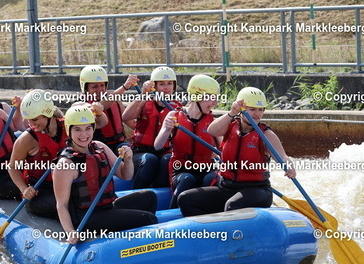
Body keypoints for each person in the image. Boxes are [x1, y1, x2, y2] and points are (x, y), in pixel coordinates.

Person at [177, 87, 296, 217]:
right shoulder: (230, 125)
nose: (257, 114)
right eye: (252, 109)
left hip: (256, 190)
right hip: (227, 187)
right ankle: (205, 229)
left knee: (232, 206)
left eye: (261, 109)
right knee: (186, 198)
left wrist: (289, 166)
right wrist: (232, 112)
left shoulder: (266, 135)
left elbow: (283, 157)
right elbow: (212, 130)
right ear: (241, 109)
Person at [54, 105, 158, 244]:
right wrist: (70, 231)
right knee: (149, 219)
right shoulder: (65, 164)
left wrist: (128, 160)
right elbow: (61, 205)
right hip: (87, 218)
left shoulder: (99, 147)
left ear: (93, 128)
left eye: (88, 128)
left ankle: (129, 242)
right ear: (69, 131)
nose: (84, 134)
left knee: (149, 197)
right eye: (77, 129)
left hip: (107, 207)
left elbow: (125, 175)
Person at [154, 74, 221, 208]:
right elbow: (157, 146)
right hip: (181, 170)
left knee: (212, 179)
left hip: (206, 169)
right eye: (211, 98)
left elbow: (223, 150)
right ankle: (173, 212)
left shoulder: (213, 122)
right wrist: (167, 129)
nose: (215, 103)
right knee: (187, 179)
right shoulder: (174, 116)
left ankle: (208, 213)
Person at [8, 90, 67, 219]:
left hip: (66, 183)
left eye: (35, 119)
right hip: (41, 189)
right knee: (66, 206)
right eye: (28, 120)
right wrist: (24, 189)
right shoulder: (26, 139)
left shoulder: (68, 126)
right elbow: (12, 167)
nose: (31, 124)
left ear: (48, 114)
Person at [122, 66, 181, 189]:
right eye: (162, 84)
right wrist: (143, 94)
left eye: (169, 83)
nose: (166, 87)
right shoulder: (144, 101)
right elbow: (126, 117)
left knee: (168, 159)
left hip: (165, 151)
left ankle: (159, 191)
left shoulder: (178, 108)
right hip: (141, 151)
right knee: (150, 159)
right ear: (155, 86)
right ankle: (137, 192)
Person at [78, 65, 137, 154]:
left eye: (102, 85)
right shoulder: (80, 105)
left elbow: (129, 121)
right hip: (96, 147)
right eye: (94, 86)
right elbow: (99, 107)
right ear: (86, 88)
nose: (100, 90)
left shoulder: (115, 100)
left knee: (128, 150)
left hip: (119, 145)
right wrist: (124, 87)